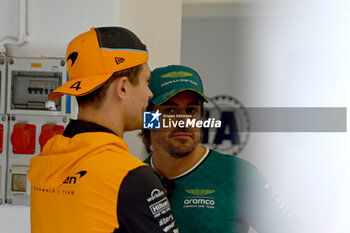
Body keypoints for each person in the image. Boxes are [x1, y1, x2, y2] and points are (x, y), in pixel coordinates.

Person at [28, 27, 178, 233]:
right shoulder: (131, 177)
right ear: (123, 88)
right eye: (146, 81)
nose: (150, 94)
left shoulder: (45, 164)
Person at [141, 65, 303, 233]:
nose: (183, 121)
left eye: (191, 110)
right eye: (170, 110)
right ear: (149, 118)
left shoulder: (237, 174)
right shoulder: (135, 179)